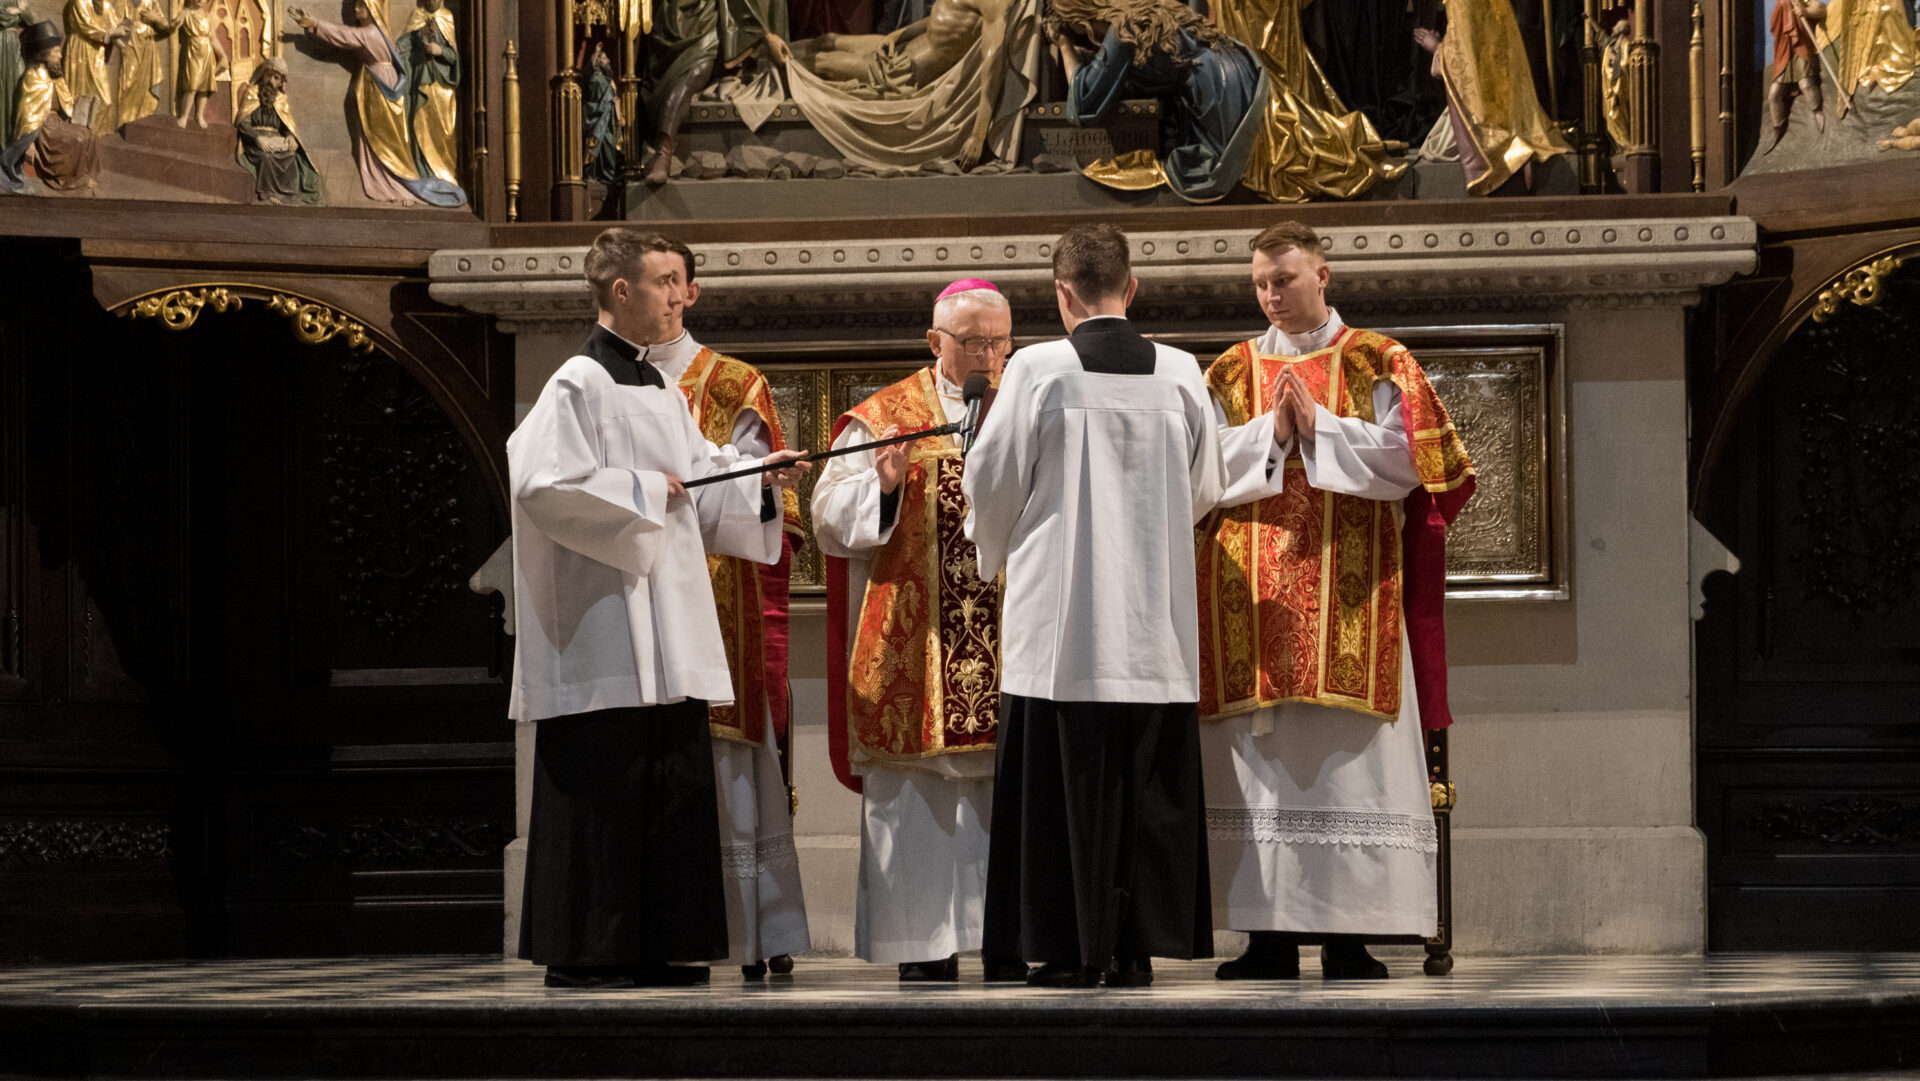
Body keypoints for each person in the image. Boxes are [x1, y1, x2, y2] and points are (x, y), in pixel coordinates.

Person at [508, 227, 811, 989]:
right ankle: (591, 949)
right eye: (664, 283)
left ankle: (662, 945)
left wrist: (757, 474)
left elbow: (701, 476)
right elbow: (540, 484)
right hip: (604, 629)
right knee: (607, 791)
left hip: (667, 625)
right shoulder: (578, 382)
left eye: (680, 283)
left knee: (668, 783)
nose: (680, 296)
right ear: (622, 290)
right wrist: (644, 490)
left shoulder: (656, 387)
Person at [1196, 221, 1474, 981]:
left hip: (1353, 590)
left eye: (1283, 279)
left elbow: (1416, 463)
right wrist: (1270, 435)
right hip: (1250, 597)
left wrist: (1322, 428)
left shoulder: (1379, 360)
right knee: (1261, 771)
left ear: (1322, 275)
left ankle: (1352, 936)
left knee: (1350, 766)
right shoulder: (1229, 371)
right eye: (1260, 283)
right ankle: (1267, 938)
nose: (1271, 295)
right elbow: (1195, 471)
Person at [966, 224, 1224, 989]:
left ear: (1062, 292)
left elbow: (993, 481)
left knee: (1063, 786)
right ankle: (1134, 946)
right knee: (1142, 782)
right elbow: (1206, 486)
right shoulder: (1180, 371)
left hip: (1063, 623)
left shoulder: (1038, 368)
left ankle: (1069, 948)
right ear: (1131, 287)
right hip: (1153, 623)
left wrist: (993, 547)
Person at [812, 279, 1025, 983]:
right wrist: (883, 489)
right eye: (973, 342)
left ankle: (1007, 942)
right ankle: (923, 948)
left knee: (1008, 798)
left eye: (999, 342)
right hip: (915, 642)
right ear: (935, 342)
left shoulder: (1027, 406)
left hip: (1010, 640)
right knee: (915, 805)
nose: (988, 356)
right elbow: (827, 518)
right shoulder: (885, 416)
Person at [641, 235, 812, 981]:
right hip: (640, 593)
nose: (663, 294)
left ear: (692, 292)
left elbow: (768, 504)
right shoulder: (603, 382)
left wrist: (762, 485)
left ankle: (751, 930)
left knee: (728, 764)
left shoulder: (734, 383)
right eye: (649, 280)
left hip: (717, 602)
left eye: (673, 281)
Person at [1047, 0, 1263, 203]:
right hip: (1238, 77)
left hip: (1215, 97)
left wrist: (1065, 45)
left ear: (1080, 18)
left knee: (1195, 173)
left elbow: (1084, 105)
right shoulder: (1146, 9)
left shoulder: (1123, 28)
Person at [287, 0, 467, 206]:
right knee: (377, 137)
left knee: (382, 139)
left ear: (372, 9)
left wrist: (316, 23)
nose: (356, 10)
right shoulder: (377, 31)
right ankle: (385, 177)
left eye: (361, 6)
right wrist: (314, 26)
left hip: (381, 84)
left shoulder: (371, 33)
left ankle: (393, 182)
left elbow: (345, 35)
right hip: (380, 81)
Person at [1412, 0, 1570, 195]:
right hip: (1507, 103)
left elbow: (1463, 61)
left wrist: (1437, 49)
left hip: (1482, 115)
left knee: (1438, 148)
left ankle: (1512, 151)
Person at [4, 20, 100, 193]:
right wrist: (29, 144)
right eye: (56, 52)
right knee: (78, 139)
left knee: (88, 135)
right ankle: (76, 181)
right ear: (43, 54)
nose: (61, 56)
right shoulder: (33, 79)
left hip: (56, 123)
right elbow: (26, 115)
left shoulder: (53, 74)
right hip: (43, 131)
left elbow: (65, 101)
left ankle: (90, 176)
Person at [235, 57, 321, 205]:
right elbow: (243, 123)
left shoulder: (280, 99)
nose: (272, 81)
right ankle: (268, 193)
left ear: (281, 82)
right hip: (255, 141)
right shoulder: (252, 93)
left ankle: (289, 195)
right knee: (266, 157)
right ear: (264, 75)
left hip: (277, 140)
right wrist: (257, 138)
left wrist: (290, 136)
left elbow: (285, 125)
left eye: (277, 79)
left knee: (292, 156)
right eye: (271, 76)